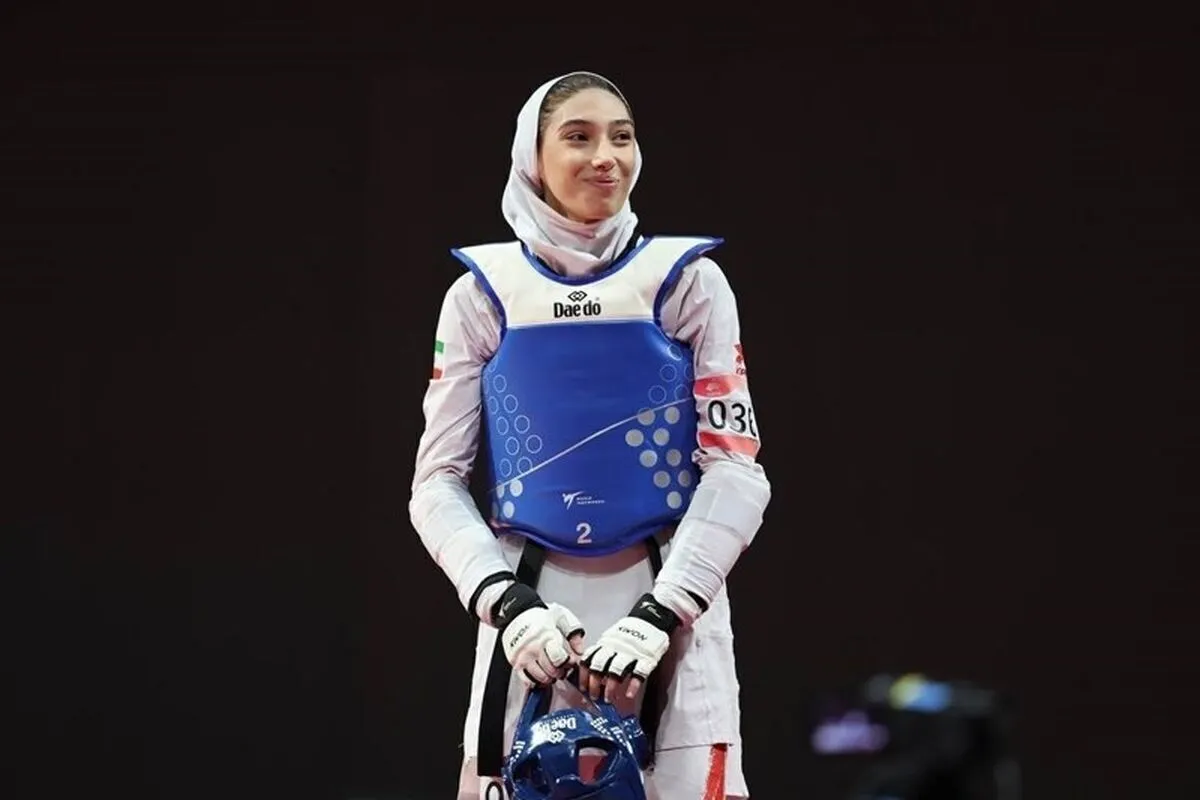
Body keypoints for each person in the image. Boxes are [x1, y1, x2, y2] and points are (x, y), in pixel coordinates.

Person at [409, 70, 772, 800]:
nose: (606, 157)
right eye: (579, 137)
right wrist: (507, 605)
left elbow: (737, 472)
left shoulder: (690, 283)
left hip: (673, 619)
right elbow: (435, 484)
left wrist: (662, 613)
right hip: (529, 626)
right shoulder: (480, 295)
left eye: (622, 137)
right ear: (533, 158)